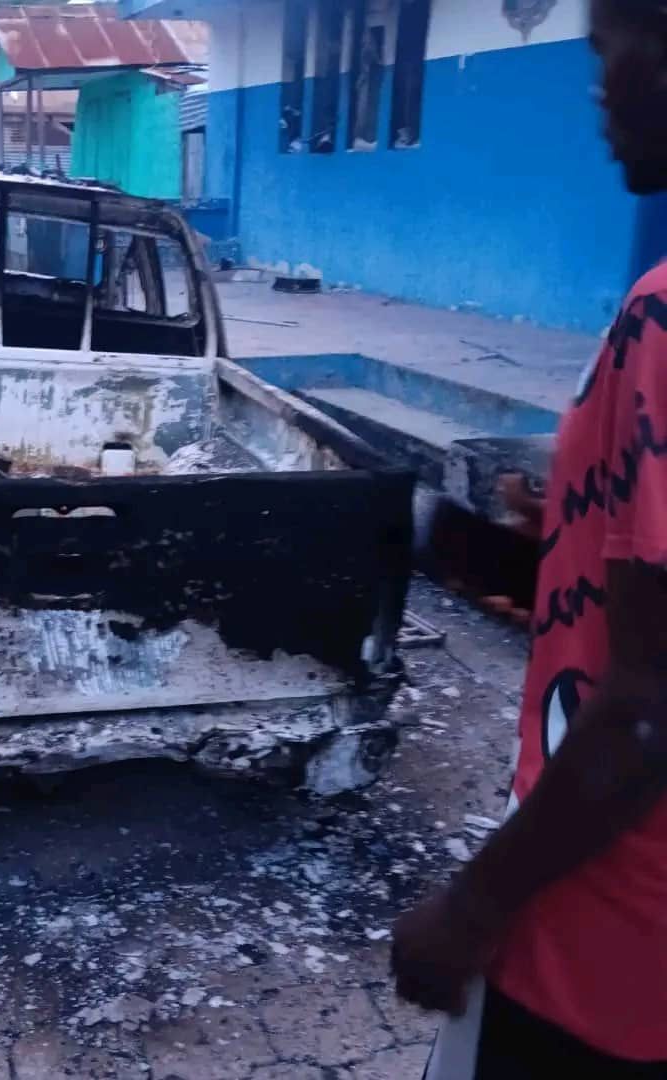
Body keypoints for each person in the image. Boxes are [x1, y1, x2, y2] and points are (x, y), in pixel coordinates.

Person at [391, 0, 667, 1074]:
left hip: (605, 946)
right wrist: (562, 547)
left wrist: (470, 907)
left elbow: (647, 717)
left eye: (610, 49)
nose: (596, 87)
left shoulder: (663, 319)